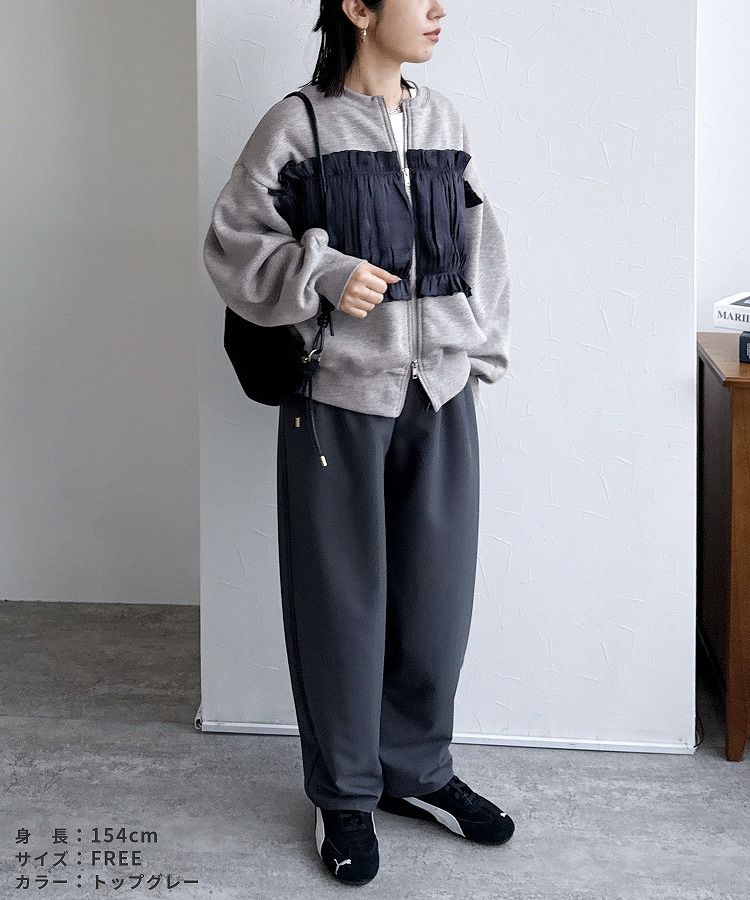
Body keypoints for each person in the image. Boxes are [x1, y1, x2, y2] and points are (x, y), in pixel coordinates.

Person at [203, 0, 513, 886]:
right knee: (341, 607)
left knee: (436, 603)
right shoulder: (296, 126)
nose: (439, 10)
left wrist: (479, 351)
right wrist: (325, 272)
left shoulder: (444, 120)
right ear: (359, 8)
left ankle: (417, 772)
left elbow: (483, 243)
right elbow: (231, 245)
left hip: (439, 394)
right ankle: (343, 793)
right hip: (336, 399)